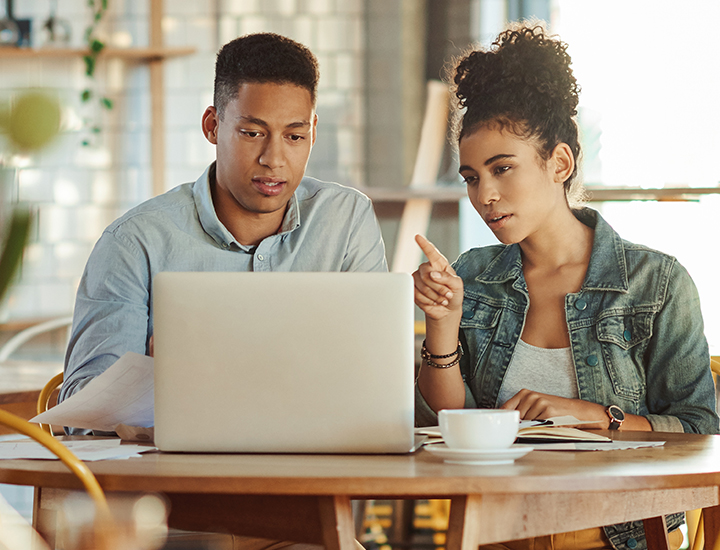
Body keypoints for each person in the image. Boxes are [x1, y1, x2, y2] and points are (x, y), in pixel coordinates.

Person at [412, 23, 718, 550]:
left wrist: (596, 417)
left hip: (620, 534)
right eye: (470, 176)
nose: (484, 194)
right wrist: (441, 326)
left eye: (502, 168)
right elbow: (444, 426)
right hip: (493, 529)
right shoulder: (473, 275)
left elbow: (700, 429)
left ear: (559, 162)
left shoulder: (656, 282)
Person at [60, 32, 387, 405]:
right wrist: (156, 380)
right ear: (212, 126)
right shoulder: (136, 242)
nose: (274, 159)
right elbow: (81, 408)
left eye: (294, 137)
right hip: (178, 462)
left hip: (316, 456)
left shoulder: (345, 220)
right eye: (252, 133)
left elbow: (373, 372)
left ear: (313, 132)